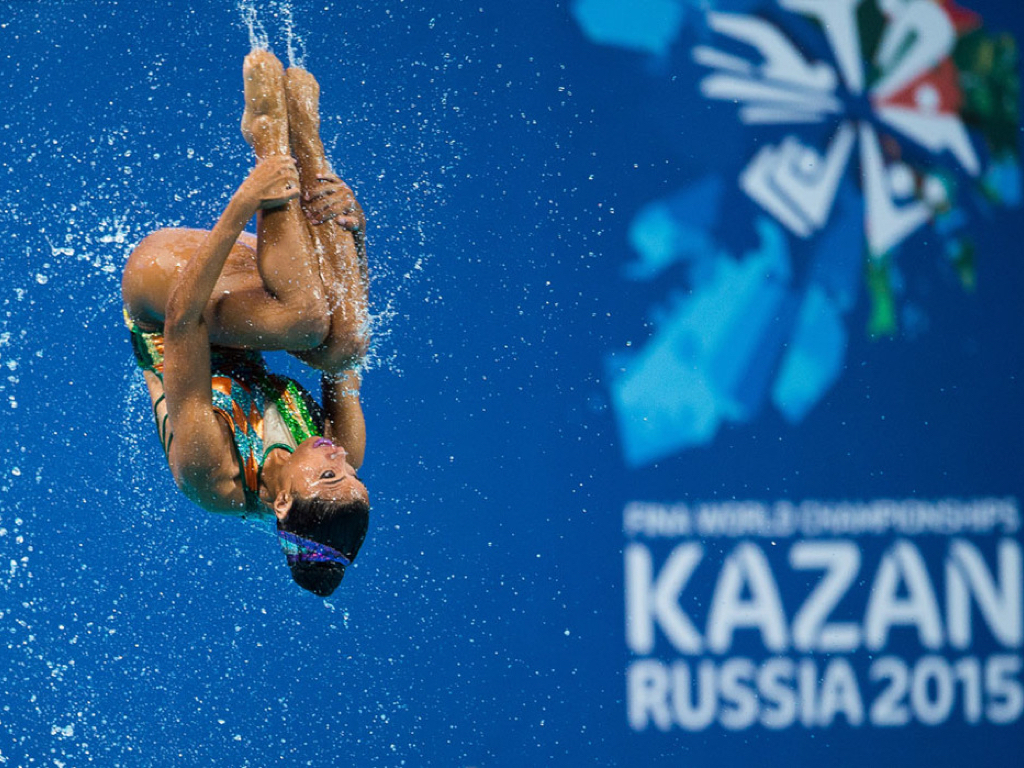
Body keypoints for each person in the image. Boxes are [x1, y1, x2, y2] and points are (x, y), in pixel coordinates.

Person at [121, 50, 371, 597]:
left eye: (330, 475)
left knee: (305, 319)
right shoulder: (340, 447)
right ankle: (312, 159)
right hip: (248, 302)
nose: (341, 459)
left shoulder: (213, 476)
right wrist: (354, 231)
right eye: (355, 476)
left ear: (282, 503)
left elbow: (184, 320)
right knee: (346, 342)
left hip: (164, 296)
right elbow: (353, 319)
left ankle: (269, 142)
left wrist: (246, 199)